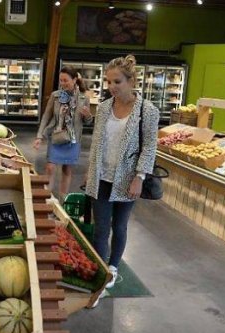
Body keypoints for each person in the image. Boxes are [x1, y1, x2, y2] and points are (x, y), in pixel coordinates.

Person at [85, 55, 159, 299]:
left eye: (117, 82)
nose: (111, 87)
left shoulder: (147, 111)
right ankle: (99, 268)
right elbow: (96, 143)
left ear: (131, 81)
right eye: (108, 82)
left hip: (127, 179)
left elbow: (149, 146)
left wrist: (139, 176)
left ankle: (113, 267)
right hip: (102, 175)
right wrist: (91, 172)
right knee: (100, 228)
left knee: (119, 225)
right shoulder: (105, 107)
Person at [33, 66, 93, 201]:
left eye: (66, 80)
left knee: (67, 169)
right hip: (56, 136)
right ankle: (47, 197)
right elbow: (46, 116)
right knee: (50, 167)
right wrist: (39, 136)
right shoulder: (55, 96)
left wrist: (88, 116)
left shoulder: (83, 98)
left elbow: (87, 122)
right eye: (61, 80)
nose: (63, 83)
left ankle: (63, 199)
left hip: (73, 139)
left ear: (74, 79)